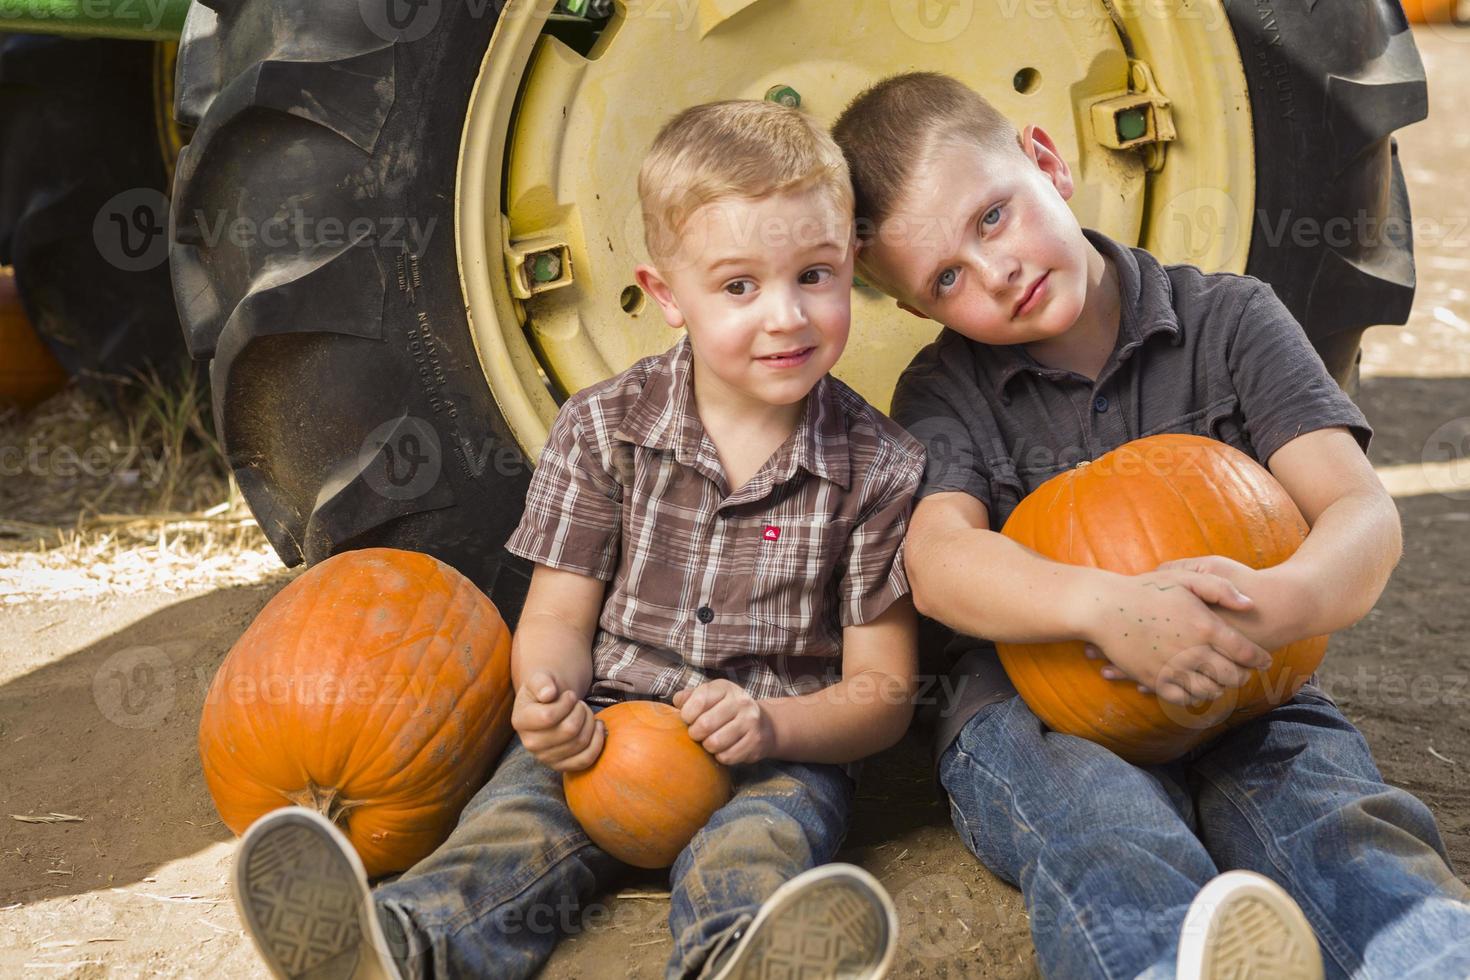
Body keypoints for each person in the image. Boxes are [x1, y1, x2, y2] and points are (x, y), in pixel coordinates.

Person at [229, 98, 926, 980]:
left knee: (756, 849)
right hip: (607, 725)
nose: (786, 316)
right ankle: (394, 950)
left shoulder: (882, 466)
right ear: (668, 296)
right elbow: (557, 617)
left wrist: (773, 723)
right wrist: (549, 699)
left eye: (814, 275)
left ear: (852, 265)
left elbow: (883, 693)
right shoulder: (603, 429)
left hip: (776, 750)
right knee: (513, 824)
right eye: (739, 286)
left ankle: (740, 960)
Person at [830, 71, 1470, 979]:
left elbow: (1360, 511)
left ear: (1047, 164)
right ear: (917, 310)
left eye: (992, 217)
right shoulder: (946, 392)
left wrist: (1276, 601)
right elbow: (938, 560)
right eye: (947, 277)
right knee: (1105, 829)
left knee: (1332, 817)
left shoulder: (1230, 320)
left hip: (1253, 685)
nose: (996, 270)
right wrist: (1101, 607)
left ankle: (1427, 957)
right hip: (1043, 713)